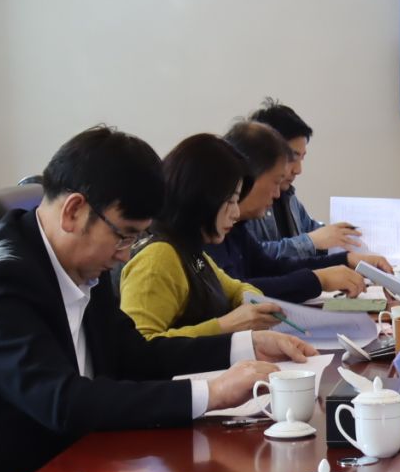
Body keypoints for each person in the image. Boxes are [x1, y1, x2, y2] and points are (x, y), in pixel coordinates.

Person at [0, 126, 314, 472]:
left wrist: (245, 346)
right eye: (125, 235)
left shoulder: (81, 262)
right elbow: (62, 402)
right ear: (73, 211)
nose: (126, 254)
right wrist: (210, 393)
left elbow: (133, 353)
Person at [121, 133, 287, 341]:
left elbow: (235, 287)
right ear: (202, 196)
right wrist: (227, 325)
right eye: (230, 201)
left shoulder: (187, 248)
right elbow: (141, 344)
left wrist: (251, 301)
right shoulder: (159, 257)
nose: (236, 213)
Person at [212, 120, 387, 303]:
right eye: (276, 182)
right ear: (249, 176)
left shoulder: (237, 229)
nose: (277, 193)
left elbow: (272, 268)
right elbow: (237, 291)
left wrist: (345, 260)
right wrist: (319, 279)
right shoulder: (211, 232)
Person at [238, 99, 366, 264]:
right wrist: (311, 242)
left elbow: (316, 235)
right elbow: (252, 258)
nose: (298, 170)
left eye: (302, 158)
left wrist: (347, 240)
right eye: (292, 157)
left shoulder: (289, 197)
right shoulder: (244, 202)